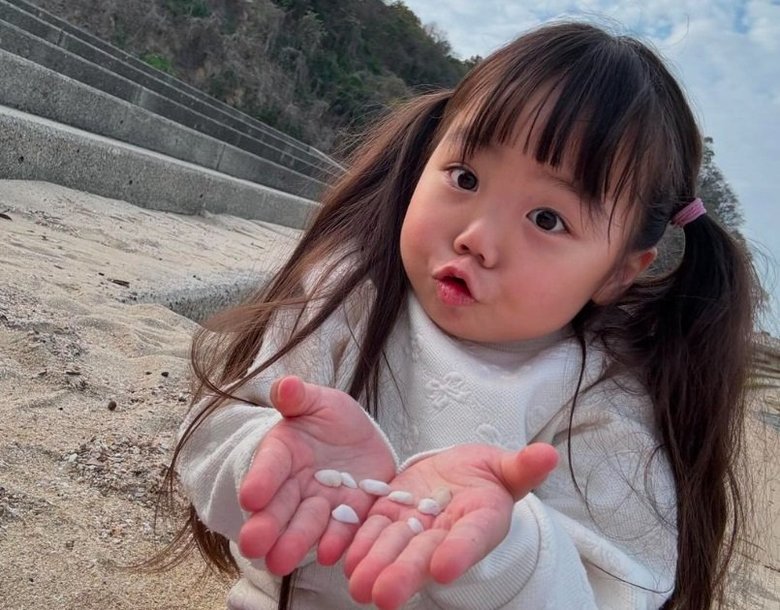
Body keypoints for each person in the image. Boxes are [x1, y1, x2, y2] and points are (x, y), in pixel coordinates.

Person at [162, 21, 759, 610]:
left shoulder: (602, 397)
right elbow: (212, 438)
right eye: (465, 178)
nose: (478, 237)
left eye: (548, 219)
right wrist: (268, 456)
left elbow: (616, 590)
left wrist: (506, 547)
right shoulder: (347, 297)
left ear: (618, 271)